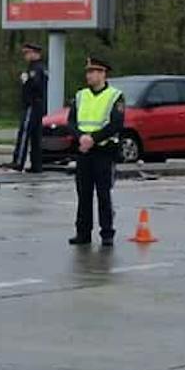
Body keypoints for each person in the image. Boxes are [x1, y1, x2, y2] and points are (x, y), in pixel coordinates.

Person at [67, 56, 125, 246]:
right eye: (88, 72)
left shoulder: (115, 96)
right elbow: (71, 121)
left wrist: (93, 138)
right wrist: (81, 137)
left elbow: (116, 123)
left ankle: (107, 233)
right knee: (83, 194)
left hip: (104, 151)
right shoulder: (80, 95)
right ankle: (82, 233)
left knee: (103, 194)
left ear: (102, 73)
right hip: (84, 150)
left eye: (93, 72)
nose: (89, 75)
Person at [10, 41, 47, 173]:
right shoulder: (41, 66)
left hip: (32, 104)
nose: (25, 56)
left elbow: (35, 85)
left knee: (25, 132)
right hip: (38, 105)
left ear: (34, 53)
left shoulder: (35, 68)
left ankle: (18, 161)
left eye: (27, 53)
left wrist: (26, 80)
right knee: (36, 136)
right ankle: (37, 165)